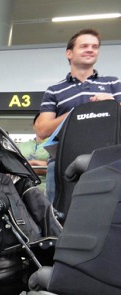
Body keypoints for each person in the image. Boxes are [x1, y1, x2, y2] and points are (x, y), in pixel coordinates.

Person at [35, 28, 121, 202]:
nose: (90, 49)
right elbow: (42, 129)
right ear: (69, 53)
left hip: (105, 161)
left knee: (105, 218)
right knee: (57, 219)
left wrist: (112, 104)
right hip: (62, 163)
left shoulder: (113, 83)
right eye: (84, 46)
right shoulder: (54, 90)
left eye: (95, 47)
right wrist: (79, 112)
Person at [17, 113, 49, 193]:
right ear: (34, 126)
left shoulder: (55, 144)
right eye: (39, 122)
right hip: (23, 190)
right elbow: (15, 166)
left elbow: (52, 168)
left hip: (47, 190)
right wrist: (40, 164)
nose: (42, 125)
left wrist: (27, 165)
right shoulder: (21, 146)